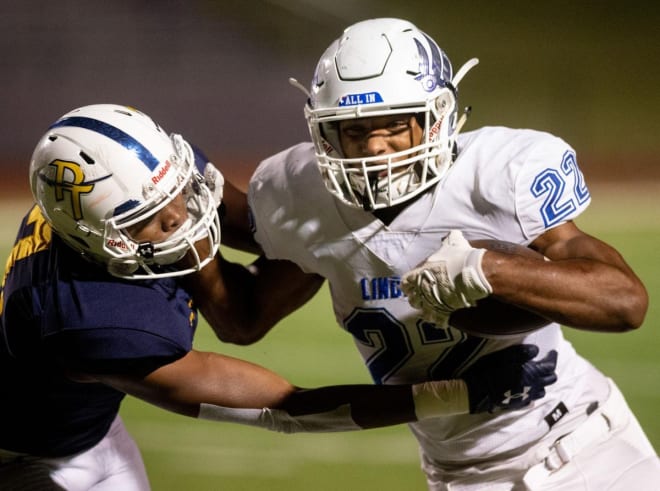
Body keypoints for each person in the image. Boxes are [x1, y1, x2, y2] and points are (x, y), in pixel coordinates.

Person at [197, 18, 660, 491]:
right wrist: (189, 230)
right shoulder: (303, 197)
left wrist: (491, 270)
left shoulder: (495, 174)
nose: (375, 147)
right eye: (353, 131)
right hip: (458, 477)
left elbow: (625, 302)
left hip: (586, 449)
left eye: (395, 124)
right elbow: (243, 319)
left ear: (435, 116)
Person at [0, 104, 558, 491]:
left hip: (86, 424)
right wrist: (458, 393)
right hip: (30, 458)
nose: (183, 220)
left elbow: (272, 238)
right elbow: (285, 407)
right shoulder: (93, 323)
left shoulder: (142, 178)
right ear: (94, 238)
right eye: (151, 221)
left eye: (177, 194)